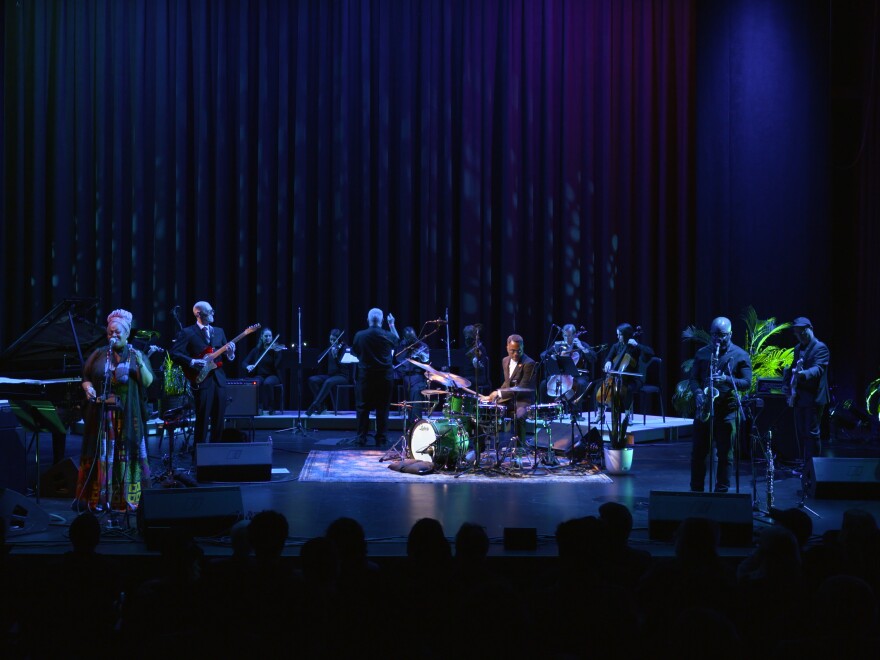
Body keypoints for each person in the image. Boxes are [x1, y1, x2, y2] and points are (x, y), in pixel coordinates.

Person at [76, 309, 154, 512]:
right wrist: (88, 388)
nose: (113, 336)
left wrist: (136, 367)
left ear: (127, 333)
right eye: (110, 332)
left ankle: (127, 498)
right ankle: (100, 498)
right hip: (103, 416)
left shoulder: (137, 354)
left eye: (118, 332)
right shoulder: (98, 354)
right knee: (102, 454)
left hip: (128, 415)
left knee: (126, 455)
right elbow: (85, 378)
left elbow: (148, 382)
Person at [688, 316, 752, 493]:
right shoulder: (702, 353)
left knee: (725, 456)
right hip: (704, 410)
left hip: (727, 411)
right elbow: (693, 379)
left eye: (722, 335)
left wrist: (726, 379)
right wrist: (699, 393)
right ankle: (696, 491)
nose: (717, 339)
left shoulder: (740, 355)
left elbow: (747, 383)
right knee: (698, 455)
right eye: (714, 335)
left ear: (730, 334)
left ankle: (722, 492)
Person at [170, 301, 235, 445]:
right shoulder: (187, 332)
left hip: (219, 380)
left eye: (213, 310)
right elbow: (174, 353)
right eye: (209, 311)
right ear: (198, 313)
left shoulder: (219, 331)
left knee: (219, 420)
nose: (213, 313)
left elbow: (227, 358)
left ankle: (215, 455)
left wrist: (230, 354)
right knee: (203, 419)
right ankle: (199, 458)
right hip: (202, 381)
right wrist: (192, 361)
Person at [782, 317, 830, 486]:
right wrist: (788, 381)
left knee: (812, 434)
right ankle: (806, 467)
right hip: (800, 397)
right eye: (797, 333)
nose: (800, 335)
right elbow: (794, 367)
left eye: (802, 332)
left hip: (814, 398)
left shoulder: (820, 347)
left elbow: (818, 369)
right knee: (803, 433)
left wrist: (803, 374)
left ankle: (813, 469)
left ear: (810, 328)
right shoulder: (797, 348)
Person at [350, 308, 399, 447]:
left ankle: (361, 438)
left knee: (362, 408)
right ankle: (381, 439)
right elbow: (398, 342)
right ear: (382, 321)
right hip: (385, 378)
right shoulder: (388, 335)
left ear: (368, 320)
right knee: (383, 408)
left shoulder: (360, 335)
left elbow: (354, 352)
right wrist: (392, 325)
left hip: (366, 377)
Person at [597, 323, 653, 434]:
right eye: (617, 335)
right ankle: (600, 414)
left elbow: (650, 353)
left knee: (628, 389)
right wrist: (608, 362)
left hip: (633, 379)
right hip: (618, 377)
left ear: (626, 335)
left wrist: (637, 345)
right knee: (600, 387)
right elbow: (608, 357)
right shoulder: (616, 346)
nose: (618, 337)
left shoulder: (634, 346)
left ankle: (628, 415)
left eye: (620, 335)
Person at [481, 334, 536, 445]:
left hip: (523, 400)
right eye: (512, 351)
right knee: (486, 409)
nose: (515, 354)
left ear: (523, 347)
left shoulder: (529, 363)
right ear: (507, 348)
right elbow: (507, 382)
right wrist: (492, 396)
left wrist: (499, 393)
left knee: (519, 416)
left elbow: (522, 387)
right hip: (509, 399)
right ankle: (488, 446)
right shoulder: (505, 361)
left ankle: (520, 448)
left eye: (519, 351)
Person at [541, 323, 595, 417]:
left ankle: (575, 412)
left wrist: (582, 348)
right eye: (565, 336)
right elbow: (543, 355)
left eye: (569, 336)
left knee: (580, 384)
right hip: (561, 374)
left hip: (578, 375)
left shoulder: (581, 344)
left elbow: (593, 358)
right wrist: (552, 356)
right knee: (543, 384)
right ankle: (546, 412)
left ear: (574, 335)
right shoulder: (559, 345)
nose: (567, 338)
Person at [306, 328, 350, 415]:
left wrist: (335, 357)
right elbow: (318, 358)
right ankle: (322, 406)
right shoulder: (331, 348)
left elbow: (344, 366)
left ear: (339, 339)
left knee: (328, 381)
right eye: (331, 339)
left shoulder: (345, 348)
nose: (332, 342)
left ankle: (315, 404)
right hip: (332, 375)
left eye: (334, 340)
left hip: (343, 376)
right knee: (312, 380)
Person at [243, 327, 285, 414]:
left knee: (268, 383)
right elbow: (244, 362)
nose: (268, 338)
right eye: (266, 336)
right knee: (256, 382)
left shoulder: (275, 350)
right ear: (261, 337)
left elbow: (278, 366)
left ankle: (271, 407)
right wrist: (248, 366)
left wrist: (277, 353)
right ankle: (258, 407)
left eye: (270, 336)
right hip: (260, 375)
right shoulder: (256, 350)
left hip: (273, 376)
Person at [394, 325, 431, 403]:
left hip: (418, 376)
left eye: (413, 338)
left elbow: (426, 359)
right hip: (405, 376)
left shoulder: (422, 346)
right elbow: (399, 359)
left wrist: (420, 355)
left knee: (415, 391)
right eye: (410, 339)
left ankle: (415, 414)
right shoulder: (402, 346)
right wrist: (407, 351)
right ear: (405, 338)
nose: (413, 341)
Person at [461, 324, 490, 394]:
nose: (467, 338)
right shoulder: (465, 349)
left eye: (469, 336)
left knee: (462, 381)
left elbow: (480, 366)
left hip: (478, 377)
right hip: (467, 376)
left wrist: (474, 358)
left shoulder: (480, 348)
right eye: (466, 336)